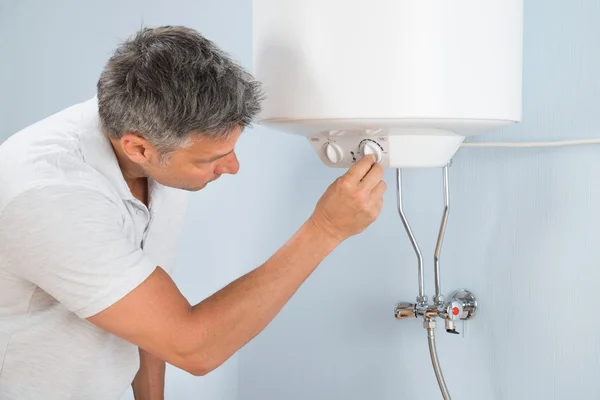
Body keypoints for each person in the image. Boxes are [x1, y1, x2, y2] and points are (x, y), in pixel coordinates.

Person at [0, 25, 386, 400]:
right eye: (213, 158)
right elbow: (192, 346)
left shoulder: (158, 151)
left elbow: (152, 320)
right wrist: (327, 228)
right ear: (139, 149)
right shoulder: (51, 194)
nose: (233, 167)